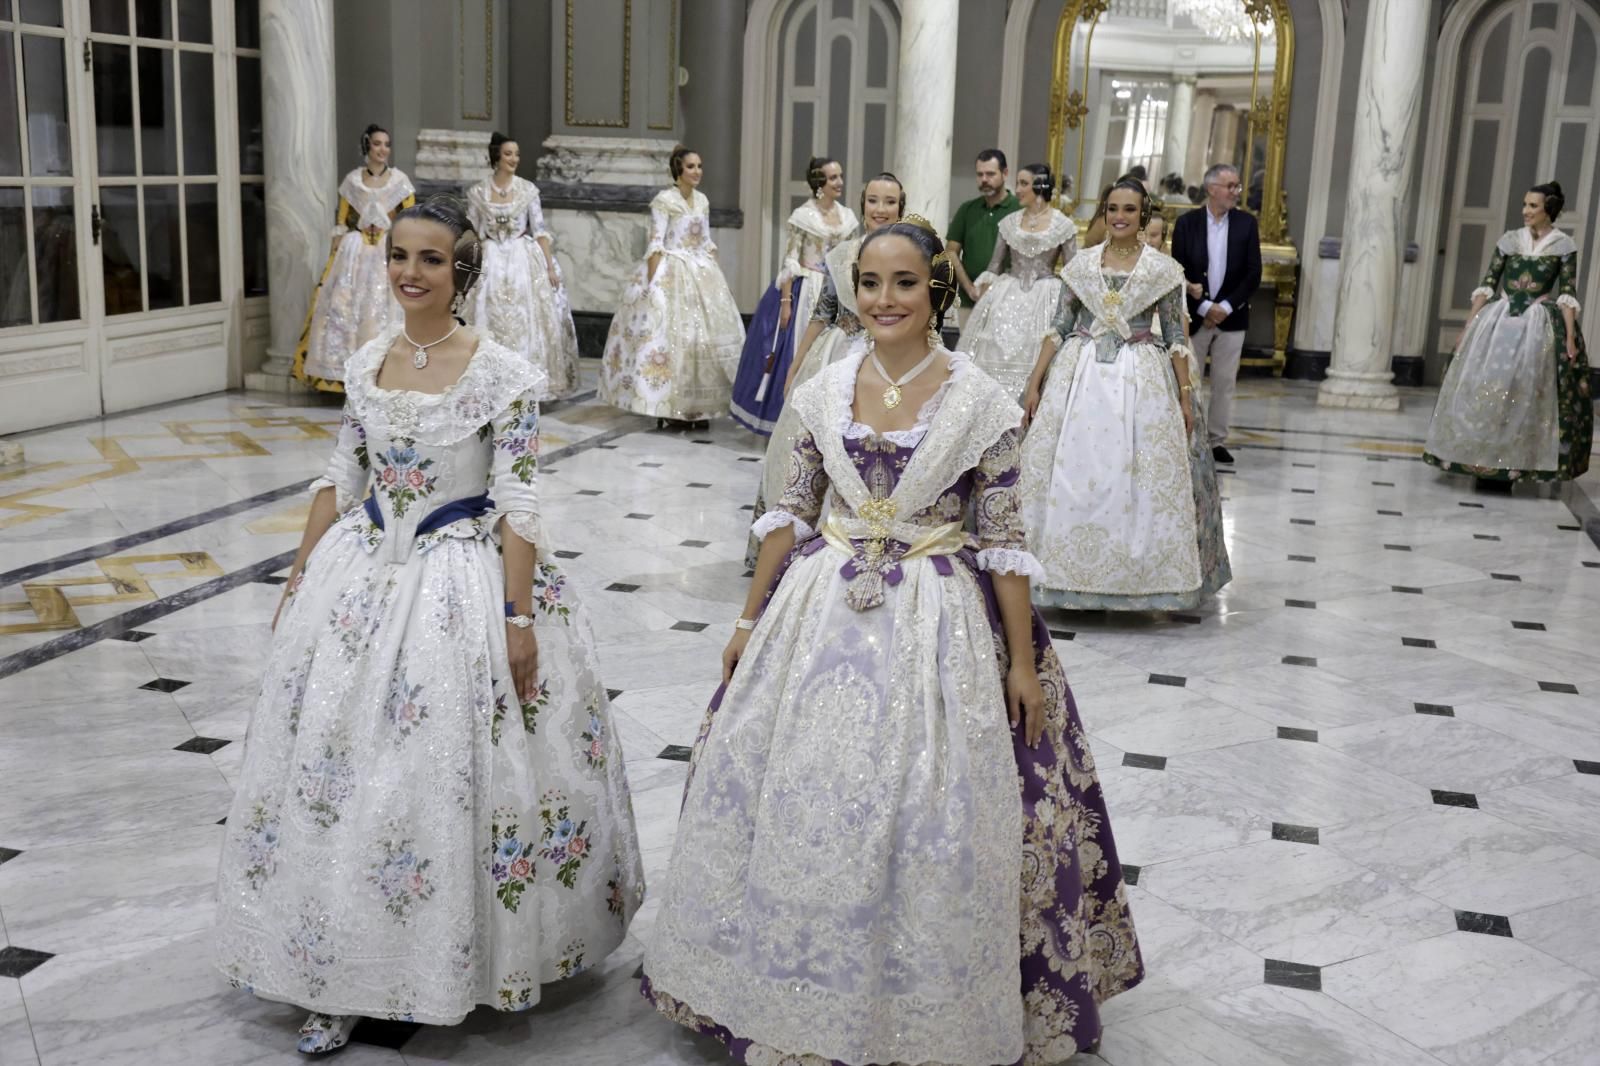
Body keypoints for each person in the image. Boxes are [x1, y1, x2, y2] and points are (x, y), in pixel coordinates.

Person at [643, 217, 1144, 1065]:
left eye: (904, 283)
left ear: (936, 291)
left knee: (931, 806)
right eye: (870, 283)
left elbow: (1004, 541)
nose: (884, 300)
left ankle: (914, 1000)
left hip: (938, 618)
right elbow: (789, 515)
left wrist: (1021, 664)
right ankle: (780, 984)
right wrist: (746, 619)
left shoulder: (979, 399)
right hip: (820, 607)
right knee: (797, 794)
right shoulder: (821, 391)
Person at [216, 195, 645, 1055]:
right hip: (364, 578)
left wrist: (518, 618)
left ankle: (461, 957)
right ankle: (334, 967)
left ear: (464, 270)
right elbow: (343, 474)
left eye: (431, 260)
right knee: (341, 773)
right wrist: (302, 571)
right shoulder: (368, 359)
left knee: (445, 775)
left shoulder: (503, 373)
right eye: (400, 256)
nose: (411, 272)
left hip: (461, 586)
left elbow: (520, 499)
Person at [1021, 179, 1231, 611]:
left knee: (1139, 475)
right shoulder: (1080, 265)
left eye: (1130, 210)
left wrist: (1186, 396)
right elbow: (1058, 327)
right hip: (1079, 377)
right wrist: (1034, 382)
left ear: (1143, 214)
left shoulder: (1162, 271)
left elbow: (1175, 335)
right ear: (1103, 211)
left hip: (1140, 378)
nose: (1119, 216)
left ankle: (1137, 580)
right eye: (1112, 208)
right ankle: (1062, 574)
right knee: (1069, 470)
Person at [744, 172, 906, 566]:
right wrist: (796, 364)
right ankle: (797, 547)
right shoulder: (843, 254)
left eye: (889, 202)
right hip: (837, 355)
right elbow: (824, 312)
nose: (880, 209)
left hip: (890, 361)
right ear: (862, 204)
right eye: (872, 200)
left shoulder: (911, 254)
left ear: (901, 208)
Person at [1424, 181, 1592, 484]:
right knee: (1485, 386)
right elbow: (1488, 282)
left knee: (1523, 392)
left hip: (1536, 326)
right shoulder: (1509, 240)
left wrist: (1569, 338)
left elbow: (1568, 293)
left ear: (1548, 210)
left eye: (1532, 206)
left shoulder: (1563, 246)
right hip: (1498, 321)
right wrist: (1468, 326)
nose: (1525, 211)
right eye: (1525, 205)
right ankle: (1479, 459)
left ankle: (1513, 464)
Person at [601, 146, 746, 429]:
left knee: (702, 340)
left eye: (700, 166)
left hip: (700, 271)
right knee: (670, 340)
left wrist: (714, 276)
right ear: (678, 170)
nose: (697, 172)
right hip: (672, 271)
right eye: (691, 166)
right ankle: (671, 405)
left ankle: (700, 406)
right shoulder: (664, 200)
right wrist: (654, 285)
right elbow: (656, 242)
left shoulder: (702, 200)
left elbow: (705, 240)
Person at [729, 155, 859, 434]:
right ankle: (788, 424)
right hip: (806, 289)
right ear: (819, 183)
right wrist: (786, 303)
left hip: (837, 291)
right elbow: (790, 261)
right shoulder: (804, 216)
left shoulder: (847, 216)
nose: (840, 182)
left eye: (840, 176)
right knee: (796, 355)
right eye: (833, 177)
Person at [294, 124, 417, 392]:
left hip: (387, 250)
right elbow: (341, 220)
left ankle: (389, 374)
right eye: (377, 144)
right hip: (356, 252)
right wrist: (338, 249)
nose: (383, 149)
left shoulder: (400, 182)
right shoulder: (352, 181)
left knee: (386, 310)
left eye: (386, 144)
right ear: (367, 147)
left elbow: (410, 219)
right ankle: (346, 375)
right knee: (346, 307)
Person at [465, 131, 580, 399]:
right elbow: (472, 233)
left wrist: (550, 267)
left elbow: (540, 231)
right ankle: (490, 382)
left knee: (525, 317)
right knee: (488, 316)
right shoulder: (478, 192)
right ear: (496, 157)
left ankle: (524, 382)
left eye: (516, 154)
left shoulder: (528, 190)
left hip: (521, 257)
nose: (514, 159)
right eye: (508, 154)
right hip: (491, 258)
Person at [959, 162, 1078, 399]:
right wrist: (980, 292)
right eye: (1019, 183)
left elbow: (1072, 271)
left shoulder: (1063, 225)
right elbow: (994, 265)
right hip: (1008, 293)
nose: (1019, 189)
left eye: (1024, 183)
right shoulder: (1010, 222)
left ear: (1040, 186)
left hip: (1046, 296)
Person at [1170, 162, 1261, 464]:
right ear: (1212, 189)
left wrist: (1224, 306)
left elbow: (1252, 273)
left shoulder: (1247, 224)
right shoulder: (1187, 224)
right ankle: (1188, 436)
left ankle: (1216, 441)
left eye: (1237, 186)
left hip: (1232, 318)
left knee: (1224, 382)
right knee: (1189, 379)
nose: (1236, 191)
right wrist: (1205, 306)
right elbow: (1178, 269)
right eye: (1230, 186)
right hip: (1195, 316)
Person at [946, 148, 1022, 310]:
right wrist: (970, 289)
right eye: (980, 175)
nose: (984, 179)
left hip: (1009, 301)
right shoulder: (967, 209)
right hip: (970, 300)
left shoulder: (1020, 210)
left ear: (1005, 173)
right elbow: (951, 252)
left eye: (990, 174)